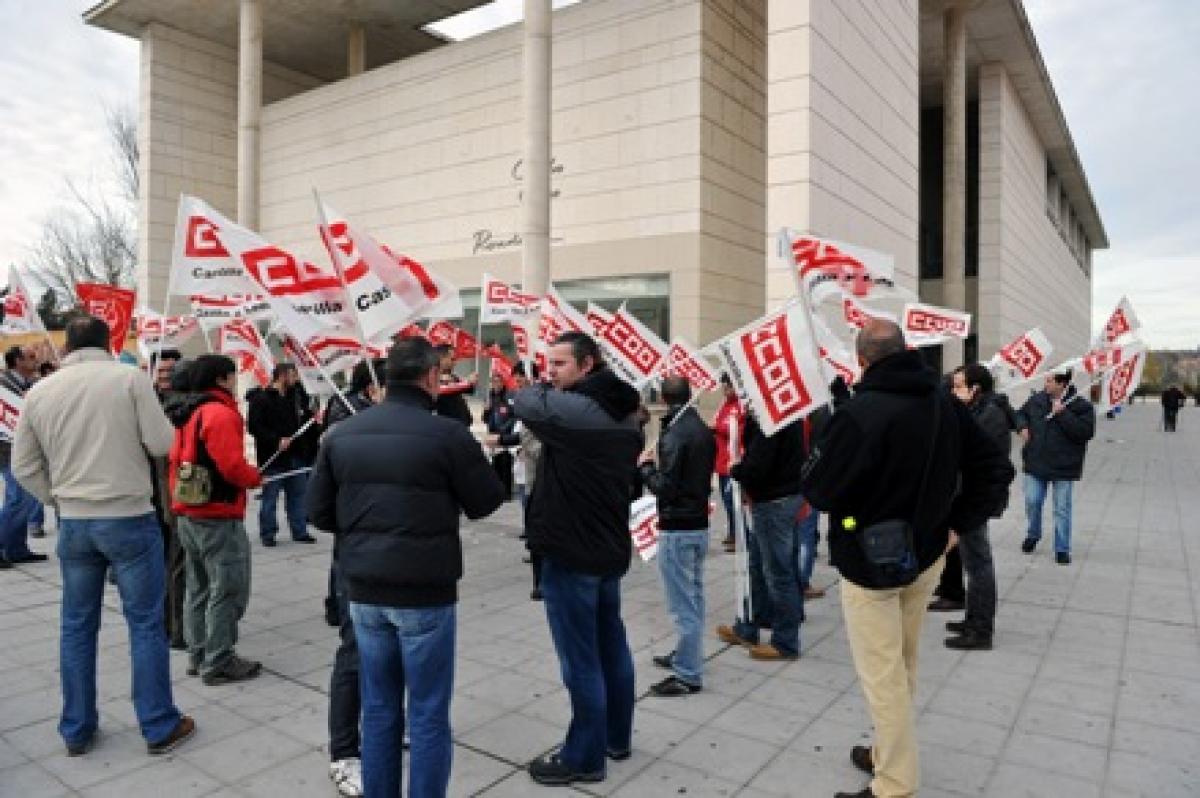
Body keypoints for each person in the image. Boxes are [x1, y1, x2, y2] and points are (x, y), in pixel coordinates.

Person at [799, 319, 1013, 798]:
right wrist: (958, 523)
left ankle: (893, 783)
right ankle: (885, 751)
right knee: (902, 661)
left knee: (883, 675)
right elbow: (995, 468)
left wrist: (826, 439)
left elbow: (819, 489)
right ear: (907, 352)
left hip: (870, 565)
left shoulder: (860, 414)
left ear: (862, 361)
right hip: (927, 555)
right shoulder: (943, 403)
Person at [307, 337, 505, 798]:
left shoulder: (342, 434)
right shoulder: (448, 435)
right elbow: (486, 502)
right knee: (428, 712)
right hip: (423, 592)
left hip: (365, 588)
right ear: (432, 377)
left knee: (378, 708)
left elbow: (319, 515)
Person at [12, 316, 195, 756]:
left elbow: (23, 466)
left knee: (76, 627)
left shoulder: (40, 391)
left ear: (67, 346)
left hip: (75, 522)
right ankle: (157, 723)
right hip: (128, 515)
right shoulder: (128, 379)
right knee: (146, 624)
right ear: (107, 342)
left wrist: (56, 500)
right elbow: (161, 443)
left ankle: (76, 728)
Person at [512, 331, 642, 786]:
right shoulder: (618, 408)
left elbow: (524, 401)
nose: (550, 371)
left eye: (560, 363)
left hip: (573, 552)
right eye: (547, 362)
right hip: (603, 547)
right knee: (610, 646)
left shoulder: (585, 412)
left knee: (580, 659)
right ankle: (616, 737)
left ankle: (585, 756)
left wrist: (535, 386)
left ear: (588, 365)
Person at [167, 354, 264, 685]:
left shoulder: (187, 411)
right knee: (227, 588)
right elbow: (232, 467)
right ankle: (219, 659)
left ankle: (198, 654)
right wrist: (254, 477)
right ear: (223, 379)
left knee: (198, 587)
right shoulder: (220, 413)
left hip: (188, 510)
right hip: (217, 513)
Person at [319, 357, 384, 798]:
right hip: (358, 560)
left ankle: (382, 729)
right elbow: (318, 509)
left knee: (388, 652)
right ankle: (345, 751)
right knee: (356, 652)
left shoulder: (426, 431)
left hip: (400, 566)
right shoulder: (343, 429)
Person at [638, 376, 716, 696]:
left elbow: (666, 489)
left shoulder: (676, 434)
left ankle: (688, 674)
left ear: (664, 397)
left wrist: (645, 469)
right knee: (694, 597)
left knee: (683, 603)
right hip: (697, 523)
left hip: (679, 527)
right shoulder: (699, 427)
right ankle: (687, 655)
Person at [716, 412, 808, 661]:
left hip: (774, 501)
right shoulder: (786, 411)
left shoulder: (771, 416)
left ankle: (785, 641)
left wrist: (737, 470)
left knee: (779, 572)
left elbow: (759, 466)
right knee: (757, 565)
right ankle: (749, 625)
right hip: (781, 496)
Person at [939, 363, 1015, 651]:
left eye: (959, 386)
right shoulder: (977, 411)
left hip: (976, 500)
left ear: (975, 389)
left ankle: (980, 629)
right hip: (968, 498)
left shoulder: (989, 416)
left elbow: (984, 464)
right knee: (973, 562)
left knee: (979, 564)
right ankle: (972, 618)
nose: (954, 391)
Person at [1015, 368, 1096, 565]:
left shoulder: (1081, 405)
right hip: (1036, 461)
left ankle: (1062, 548)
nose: (1046, 384)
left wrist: (1063, 414)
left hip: (1064, 466)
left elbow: (1085, 432)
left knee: (1062, 508)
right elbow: (1020, 413)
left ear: (1062, 384)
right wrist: (1022, 426)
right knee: (1032, 501)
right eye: (1046, 380)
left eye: (1050, 381)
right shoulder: (1037, 400)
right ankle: (1033, 534)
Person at [486, 362, 545, 600]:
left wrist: (518, 444)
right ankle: (539, 577)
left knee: (539, 529)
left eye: (521, 378)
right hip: (527, 473)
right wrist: (501, 440)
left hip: (541, 479)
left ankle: (541, 581)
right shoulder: (525, 402)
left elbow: (535, 444)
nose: (517, 383)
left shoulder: (540, 405)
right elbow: (521, 435)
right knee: (531, 522)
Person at [247, 363, 320, 547]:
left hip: (296, 455)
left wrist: (315, 421)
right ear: (281, 376)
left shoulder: (296, 397)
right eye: (292, 375)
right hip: (273, 457)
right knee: (270, 497)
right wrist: (275, 440)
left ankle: (300, 530)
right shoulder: (261, 399)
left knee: (298, 495)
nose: (296, 379)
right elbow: (254, 427)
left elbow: (305, 420)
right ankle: (268, 532)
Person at [147, 350, 188, 650]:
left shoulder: (184, 408)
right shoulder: (143, 403)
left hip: (171, 497)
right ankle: (165, 622)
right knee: (160, 566)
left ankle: (175, 626)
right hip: (144, 499)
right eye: (161, 372)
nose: (165, 378)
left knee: (175, 565)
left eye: (171, 372)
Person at [1, 344, 48, 563]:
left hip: (22, 449)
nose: (35, 360)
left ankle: (16, 548)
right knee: (17, 500)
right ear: (17, 361)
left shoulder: (30, 383)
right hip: (7, 450)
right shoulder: (4, 384)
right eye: (30, 357)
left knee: (25, 499)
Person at [711, 374, 745, 552]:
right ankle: (733, 531)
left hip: (733, 460)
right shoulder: (723, 405)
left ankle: (740, 534)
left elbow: (734, 429)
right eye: (724, 386)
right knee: (726, 500)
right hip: (721, 460)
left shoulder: (740, 406)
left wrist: (716, 428)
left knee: (733, 501)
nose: (725, 390)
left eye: (728, 386)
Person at [482, 371, 516, 498]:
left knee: (505, 463)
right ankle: (498, 492)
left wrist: (505, 429)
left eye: (498, 381)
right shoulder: (490, 397)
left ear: (503, 382)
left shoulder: (508, 396)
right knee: (495, 463)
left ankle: (506, 492)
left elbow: (513, 416)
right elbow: (485, 419)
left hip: (505, 435)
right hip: (492, 434)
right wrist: (486, 411)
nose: (495, 384)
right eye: (493, 381)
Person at [433, 344, 476, 426]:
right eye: (452, 359)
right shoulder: (433, 377)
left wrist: (472, 381)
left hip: (462, 425)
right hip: (448, 427)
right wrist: (466, 383)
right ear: (442, 358)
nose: (455, 363)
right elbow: (442, 390)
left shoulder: (453, 377)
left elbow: (469, 390)